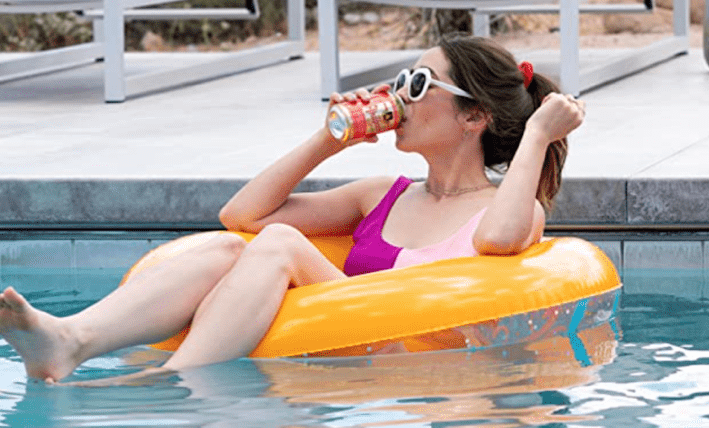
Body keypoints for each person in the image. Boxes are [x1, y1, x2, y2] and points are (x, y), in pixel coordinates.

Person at [0, 34, 585, 383]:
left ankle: (170, 385)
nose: (397, 94)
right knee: (235, 248)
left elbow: (503, 242)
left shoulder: (505, 210)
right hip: (334, 351)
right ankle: (72, 338)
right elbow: (242, 217)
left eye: (417, 84)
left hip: (405, 368)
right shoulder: (380, 194)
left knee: (279, 247)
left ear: (473, 117)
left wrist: (536, 136)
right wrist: (327, 141)